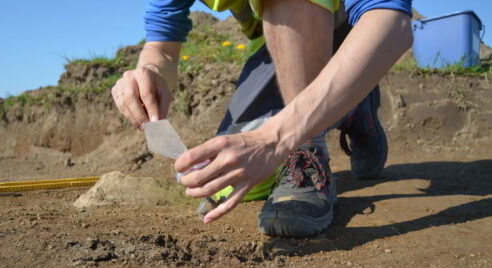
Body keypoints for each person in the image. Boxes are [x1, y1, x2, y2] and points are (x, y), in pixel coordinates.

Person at [112, 0, 413, 237]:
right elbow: (161, 50)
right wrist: (149, 72)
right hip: (281, 44)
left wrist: (275, 139)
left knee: (274, 153)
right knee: (233, 181)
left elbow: (391, 21)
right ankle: (350, 106)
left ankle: (307, 151)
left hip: (356, 33)